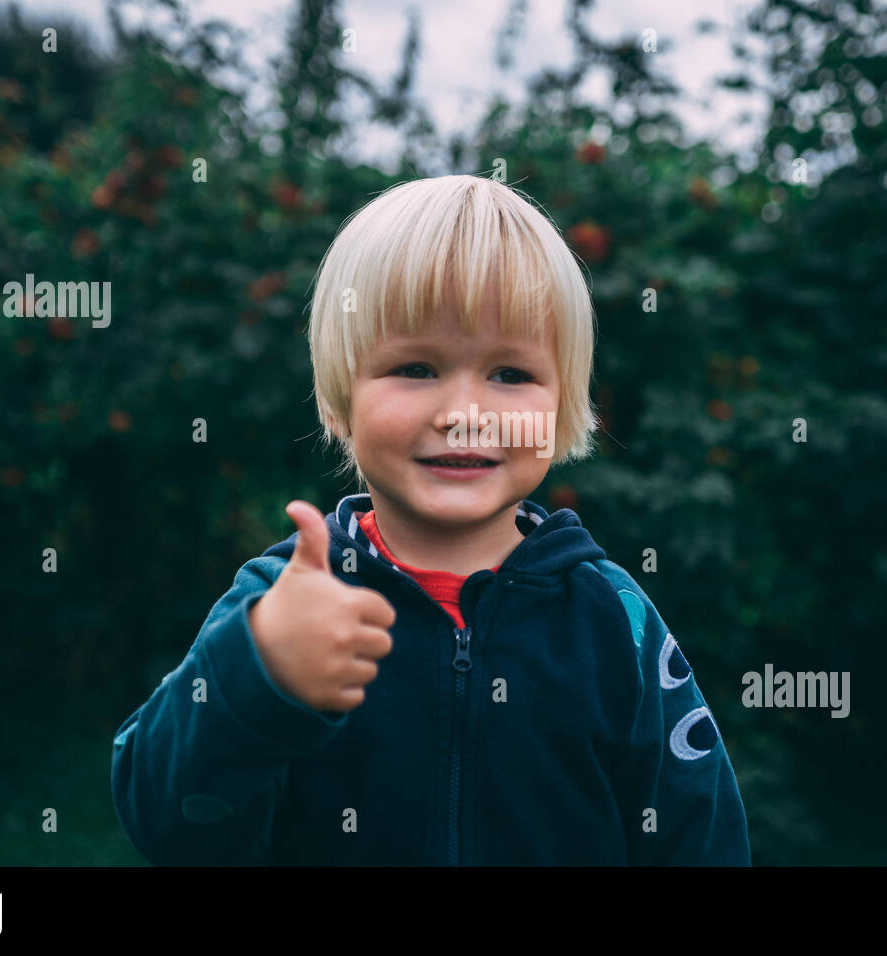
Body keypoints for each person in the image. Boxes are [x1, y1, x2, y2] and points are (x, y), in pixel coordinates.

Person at [110, 174, 751, 865]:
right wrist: (257, 675)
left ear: (564, 408)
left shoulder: (612, 619)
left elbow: (700, 833)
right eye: (416, 367)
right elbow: (166, 824)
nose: (464, 412)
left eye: (510, 374)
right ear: (339, 398)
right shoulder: (284, 603)